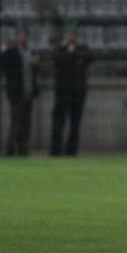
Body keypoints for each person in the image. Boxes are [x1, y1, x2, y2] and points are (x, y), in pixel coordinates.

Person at [50, 27, 92, 156]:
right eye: (69, 35)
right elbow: (58, 61)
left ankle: (71, 152)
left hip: (77, 94)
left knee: (75, 126)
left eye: (73, 35)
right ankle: (55, 151)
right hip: (62, 93)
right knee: (58, 124)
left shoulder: (82, 48)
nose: (71, 37)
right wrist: (73, 57)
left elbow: (89, 58)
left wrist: (72, 54)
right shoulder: (59, 49)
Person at [0, 28, 39, 156]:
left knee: (26, 125)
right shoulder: (12, 52)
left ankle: (23, 151)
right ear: (17, 38)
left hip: (28, 93)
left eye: (25, 36)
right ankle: (9, 151)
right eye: (21, 36)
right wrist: (5, 50)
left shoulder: (31, 52)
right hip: (16, 93)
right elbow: (3, 64)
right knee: (16, 123)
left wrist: (36, 65)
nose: (23, 38)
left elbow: (34, 72)